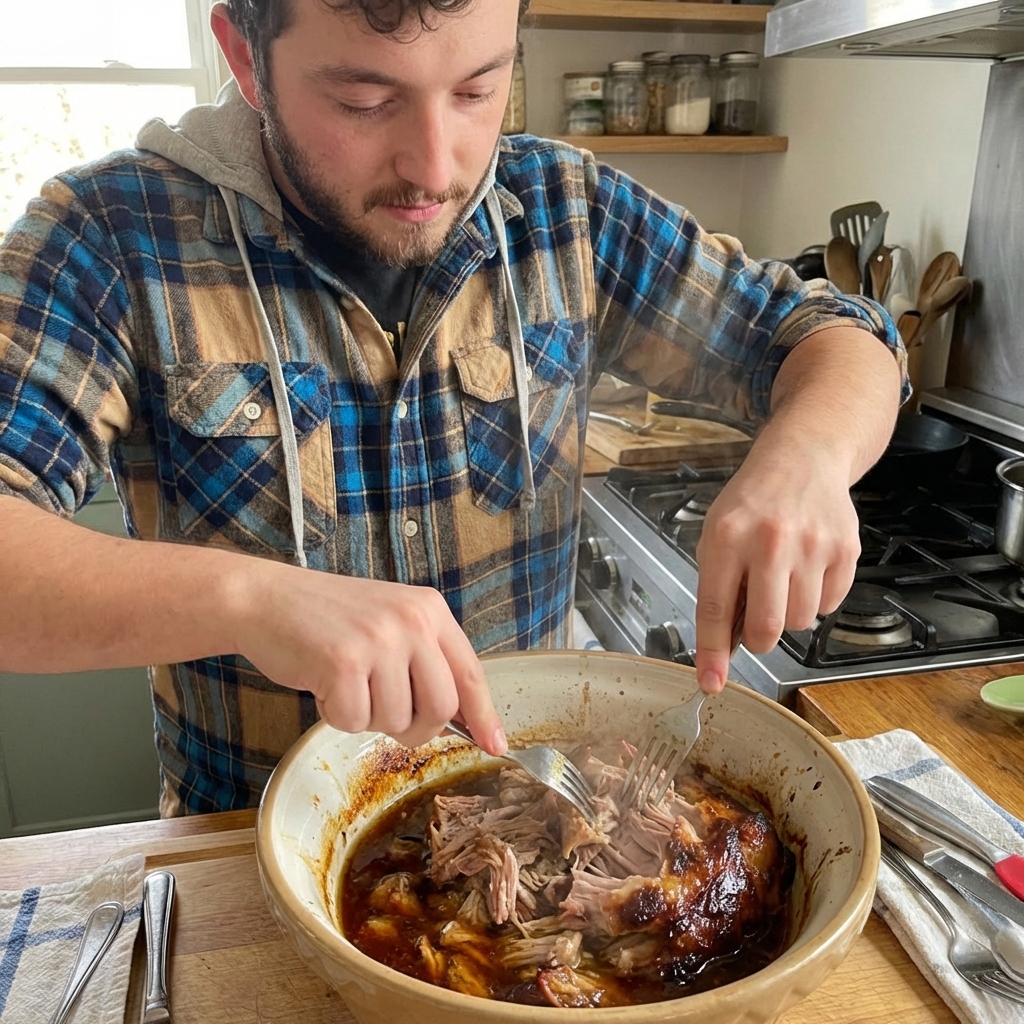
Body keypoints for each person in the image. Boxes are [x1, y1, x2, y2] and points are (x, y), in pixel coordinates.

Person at [0, 0, 905, 816]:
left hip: (535, 814)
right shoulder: (110, 234)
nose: (435, 167)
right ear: (244, 57)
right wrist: (250, 598)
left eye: (478, 89)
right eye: (362, 100)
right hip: (241, 849)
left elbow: (834, 332)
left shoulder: (567, 210)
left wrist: (808, 458)